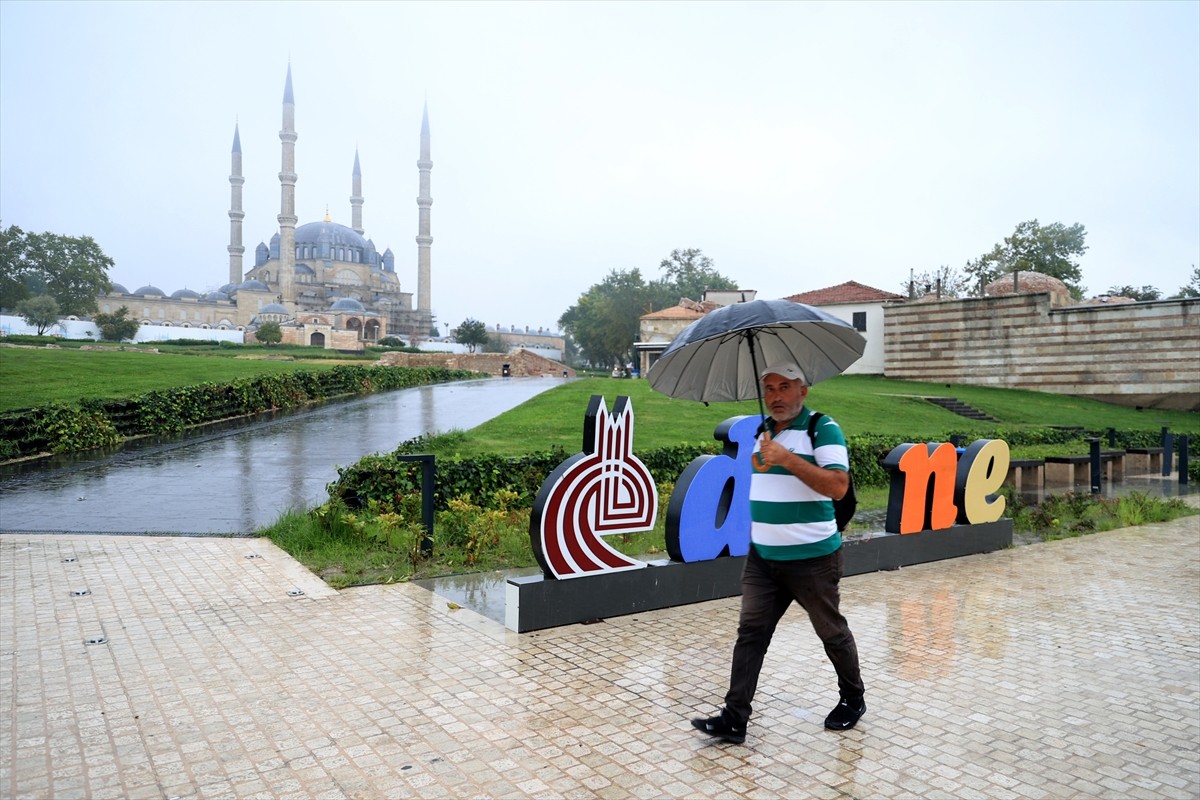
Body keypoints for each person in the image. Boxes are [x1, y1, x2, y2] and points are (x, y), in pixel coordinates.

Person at [692, 360, 865, 744]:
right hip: (764, 558)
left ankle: (853, 698)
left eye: (785, 387)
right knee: (750, 633)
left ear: (803, 390)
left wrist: (787, 458)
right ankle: (735, 718)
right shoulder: (761, 431)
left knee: (831, 632)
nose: (776, 397)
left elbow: (837, 486)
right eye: (769, 389)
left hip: (813, 557)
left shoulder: (824, 428)